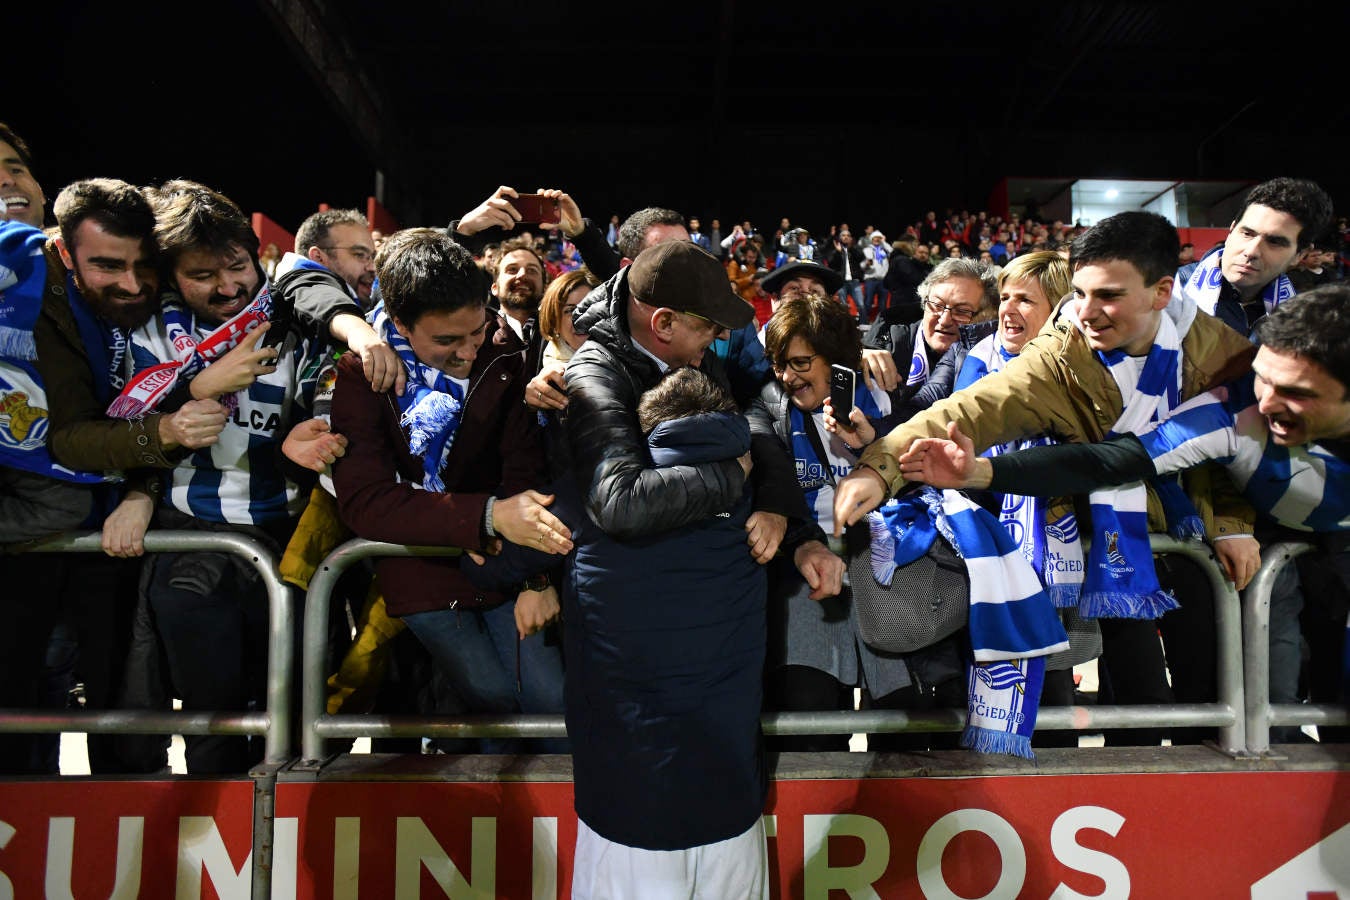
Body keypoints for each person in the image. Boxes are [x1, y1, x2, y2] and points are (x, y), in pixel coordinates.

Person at [835, 211, 1259, 746]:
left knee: (1204, 700)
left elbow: (1242, 454)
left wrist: (1232, 524)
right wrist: (882, 466)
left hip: (1187, 536)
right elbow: (974, 408)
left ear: (1161, 291)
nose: (1086, 312)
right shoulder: (1061, 352)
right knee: (1129, 703)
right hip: (1098, 546)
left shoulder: (1223, 355)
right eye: (1077, 292)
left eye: (1107, 295)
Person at [900, 283, 1350, 742]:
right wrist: (980, 472)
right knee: (1271, 717)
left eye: (1295, 391)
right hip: (1284, 546)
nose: (1268, 402)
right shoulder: (1231, 413)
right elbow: (1105, 461)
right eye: (1264, 378)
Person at [561, 240, 841, 896]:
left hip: (697, 723)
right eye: (707, 327)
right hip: (635, 700)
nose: (717, 340)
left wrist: (783, 517)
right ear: (662, 323)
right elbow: (619, 500)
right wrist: (730, 475)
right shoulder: (593, 373)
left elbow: (761, 433)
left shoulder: (696, 362)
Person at [330, 228, 570, 753]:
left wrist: (537, 578)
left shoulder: (506, 352)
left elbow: (526, 470)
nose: (468, 352)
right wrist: (485, 516)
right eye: (447, 342)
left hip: (508, 565)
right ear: (399, 325)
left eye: (477, 332)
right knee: (487, 697)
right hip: (420, 569)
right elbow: (366, 501)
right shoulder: (359, 373)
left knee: (551, 698)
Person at [747, 294, 958, 751]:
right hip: (808, 579)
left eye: (801, 362)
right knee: (810, 726)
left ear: (837, 356)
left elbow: (927, 465)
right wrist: (801, 541)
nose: (788, 376)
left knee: (903, 729)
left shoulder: (889, 386)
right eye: (780, 364)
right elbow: (768, 477)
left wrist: (872, 443)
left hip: (890, 575)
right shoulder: (767, 403)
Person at [1175, 177, 1333, 338]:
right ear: (1231, 230)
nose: (1251, 251)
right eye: (1247, 233)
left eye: (1274, 242)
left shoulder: (1303, 318)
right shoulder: (1168, 293)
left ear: (1300, 254)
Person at [281, 208, 378, 309]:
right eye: (360, 254)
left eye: (372, 257)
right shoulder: (310, 293)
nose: (372, 268)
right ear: (318, 257)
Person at [861, 230, 890, 319]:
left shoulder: (884, 250)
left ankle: (882, 323)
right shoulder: (866, 250)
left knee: (883, 304)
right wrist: (866, 264)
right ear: (872, 239)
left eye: (879, 238)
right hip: (871, 280)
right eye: (875, 238)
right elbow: (861, 266)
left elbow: (892, 251)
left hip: (883, 280)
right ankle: (864, 322)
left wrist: (884, 242)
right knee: (868, 303)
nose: (877, 239)